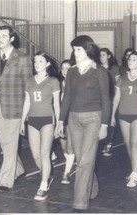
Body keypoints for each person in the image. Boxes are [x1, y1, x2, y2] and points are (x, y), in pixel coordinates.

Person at [57, 35, 110, 212]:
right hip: (74, 119)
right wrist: (60, 120)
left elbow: (106, 99)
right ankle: (92, 189)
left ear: (88, 50)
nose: (75, 52)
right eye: (74, 49)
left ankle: (79, 202)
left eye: (78, 49)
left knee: (85, 162)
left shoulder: (100, 71)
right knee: (82, 160)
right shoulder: (71, 71)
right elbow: (67, 98)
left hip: (93, 118)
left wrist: (104, 124)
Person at [0, 25, 32, 192]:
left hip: (15, 107)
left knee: (10, 142)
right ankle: (19, 169)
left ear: (12, 39)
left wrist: (26, 112)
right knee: (6, 143)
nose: (0, 38)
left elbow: (28, 84)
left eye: (4, 36)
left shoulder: (22, 57)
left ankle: (5, 181)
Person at [20, 51, 60, 200]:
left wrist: (57, 123)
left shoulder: (53, 81)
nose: (37, 64)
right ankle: (47, 176)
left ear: (47, 64)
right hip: (33, 120)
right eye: (35, 61)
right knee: (35, 155)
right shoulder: (29, 81)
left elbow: (56, 104)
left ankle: (43, 186)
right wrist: (22, 121)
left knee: (45, 154)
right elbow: (27, 102)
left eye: (40, 61)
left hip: (47, 120)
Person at [111, 52, 137, 187]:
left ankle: (134, 174)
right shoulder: (122, 79)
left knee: (136, 144)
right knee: (129, 144)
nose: (130, 61)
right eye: (129, 59)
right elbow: (116, 98)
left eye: (134, 59)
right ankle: (136, 168)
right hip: (123, 115)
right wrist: (112, 115)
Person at [99, 48, 120, 156]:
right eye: (100, 55)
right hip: (100, 98)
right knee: (102, 120)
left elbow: (119, 83)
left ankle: (109, 144)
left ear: (108, 56)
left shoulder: (114, 68)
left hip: (111, 97)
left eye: (103, 55)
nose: (101, 57)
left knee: (110, 119)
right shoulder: (98, 68)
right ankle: (102, 142)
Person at [59, 59, 75, 185]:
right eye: (63, 68)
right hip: (61, 119)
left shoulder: (76, 84)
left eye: (67, 69)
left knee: (70, 146)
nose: (65, 71)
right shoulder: (58, 85)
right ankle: (71, 162)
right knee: (64, 146)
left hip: (73, 118)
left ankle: (66, 172)